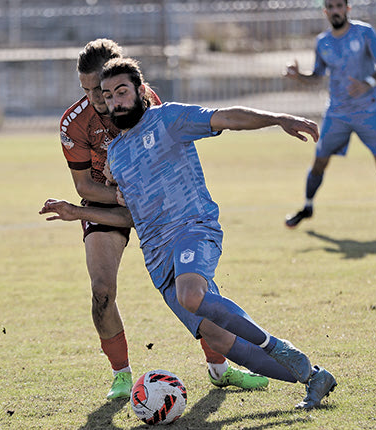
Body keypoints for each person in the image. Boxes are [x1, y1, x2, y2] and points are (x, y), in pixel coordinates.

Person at [41, 57, 337, 409]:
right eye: (107, 95)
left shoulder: (169, 120)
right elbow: (133, 216)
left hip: (192, 229)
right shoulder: (116, 157)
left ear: (139, 90)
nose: (114, 101)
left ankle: (285, 350)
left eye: (121, 91)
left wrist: (278, 118)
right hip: (158, 259)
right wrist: (77, 212)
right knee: (221, 339)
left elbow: (226, 117)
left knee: (192, 295)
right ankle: (313, 377)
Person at [57, 39, 267, 400]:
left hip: (158, 207)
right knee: (102, 290)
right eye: (86, 89)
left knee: (193, 286)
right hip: (106, 205)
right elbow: (83, 185)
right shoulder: (74, 123)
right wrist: (122, 195)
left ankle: (220, 370)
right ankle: (121, 376)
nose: (93, 97)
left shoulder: (143, 99)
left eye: (99, 88)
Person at [283, 0, 376, 233]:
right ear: (325, 12)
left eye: (339, 6)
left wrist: (367, 83)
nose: (335, 10)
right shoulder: (323, 42)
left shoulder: (364, 32)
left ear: (347, 9)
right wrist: (299, 75)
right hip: (337, 113)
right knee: (320, 161)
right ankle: (307, 207)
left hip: (368, 111)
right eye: (330, 7)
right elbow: (318, 75)